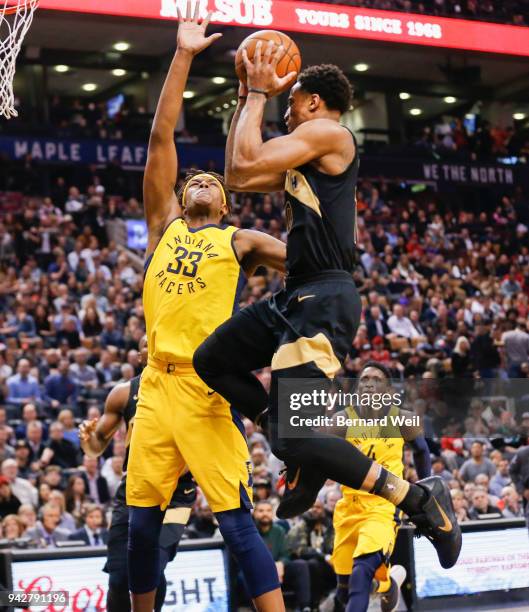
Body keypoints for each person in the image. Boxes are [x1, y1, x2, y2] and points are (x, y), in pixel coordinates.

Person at [193, 34, 461, 570]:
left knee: (300, 433)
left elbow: (244, 166)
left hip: (323, 296)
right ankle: (295, 445)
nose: (287, 112)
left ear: (313, 101)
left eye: (292, 102)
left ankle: (415, 497)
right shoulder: (310, 151)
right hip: (296, 293)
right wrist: (252, 95)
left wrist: (256, 96)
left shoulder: (328, 132)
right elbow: (241, 176)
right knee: (213, 360)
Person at [119, 9, 287, 610]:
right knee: (139, 529)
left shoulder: (240, 240)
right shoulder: (162, 225)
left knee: (236, 524)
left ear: (224, 199)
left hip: (205, 387)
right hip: (155, 387)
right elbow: (161, 137)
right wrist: (184, 54)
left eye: (216, 180)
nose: (204, 181)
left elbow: (307, 258)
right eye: (195, 178)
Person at [79, 336, 197, 612]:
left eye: (156, 340)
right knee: (120, 576)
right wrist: (88, 442)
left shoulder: (190, 390)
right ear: (139, 355)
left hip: (177, 493)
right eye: (144, 343)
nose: (150, 345)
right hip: (133, 488)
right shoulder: (123, 392)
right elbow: (97, 447)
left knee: (153, 566)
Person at [329, 362, 431, 612]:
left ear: (387, 389)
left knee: (361, 572)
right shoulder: (341, 421)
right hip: (348, 507)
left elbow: (422, 451)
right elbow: (320, 456)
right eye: (364, 379)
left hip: (383, 506)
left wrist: (425, 490)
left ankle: (383, 584)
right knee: (343, 592)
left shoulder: (403, 419)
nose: (369, 384)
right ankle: (388, 585)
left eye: (376, 379)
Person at [253, 499, 311, 611]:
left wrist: (281, 563)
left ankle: (305, 607)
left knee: (301, 565)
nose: (265, 514)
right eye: (261, 511)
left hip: (279, 571)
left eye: (268, 510)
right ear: (254, 513)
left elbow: (285, 554)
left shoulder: (279, 530)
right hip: (258, 571)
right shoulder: (251, 532)